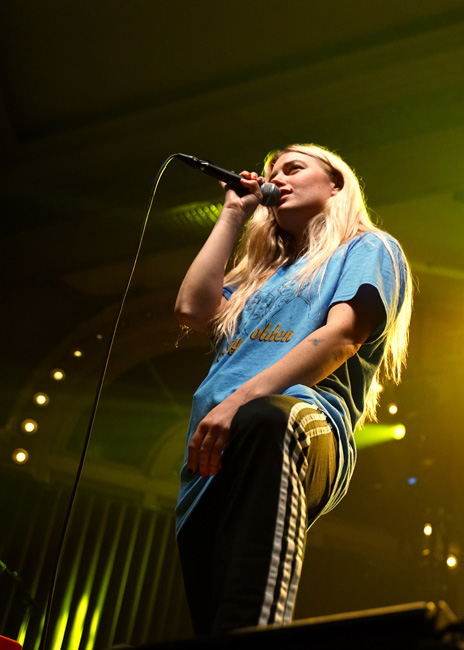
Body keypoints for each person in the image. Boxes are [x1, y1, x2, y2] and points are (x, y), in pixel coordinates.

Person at [172, 144, 413, 636]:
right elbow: (192, 309)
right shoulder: (260, 277)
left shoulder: (368, 248)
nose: (275, 179)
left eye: (293, 168)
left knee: (269, 419)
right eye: (269, 173)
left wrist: (241, 401)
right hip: (212, 448)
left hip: (299, 419)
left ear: (335, 184)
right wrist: (233, 216)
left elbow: (344, 335)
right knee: (213, 615)